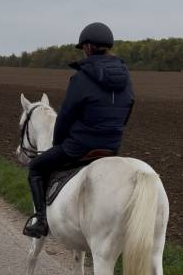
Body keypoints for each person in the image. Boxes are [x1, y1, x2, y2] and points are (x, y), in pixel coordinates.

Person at [23, 22, 135, 238]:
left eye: (84, 47)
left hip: (79, 148)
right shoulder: (126, 77)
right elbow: (129, 107)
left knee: (36, 167)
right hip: (111, 148)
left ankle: (41, 220)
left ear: (89, 47)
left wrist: (59, 144)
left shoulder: (81, 77)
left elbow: (65, 116)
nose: (83, 50)